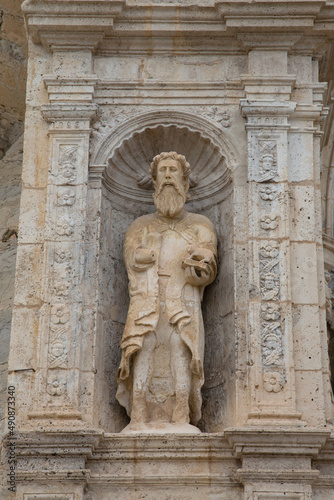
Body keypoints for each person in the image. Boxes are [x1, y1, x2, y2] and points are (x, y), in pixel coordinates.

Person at [116, 151, 217, 432]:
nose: (169, 176)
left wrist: (201, 261)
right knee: (142, 348)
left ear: (185, 180)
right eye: (163, 172)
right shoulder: (141, 225)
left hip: (183, 300)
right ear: (155, 180)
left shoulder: (200, 226)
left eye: (174, 171)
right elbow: (130, 256)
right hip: (147, 298)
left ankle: (180, 415)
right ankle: (138, 415)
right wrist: (139, 256)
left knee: (180, 351)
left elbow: (209, 265)